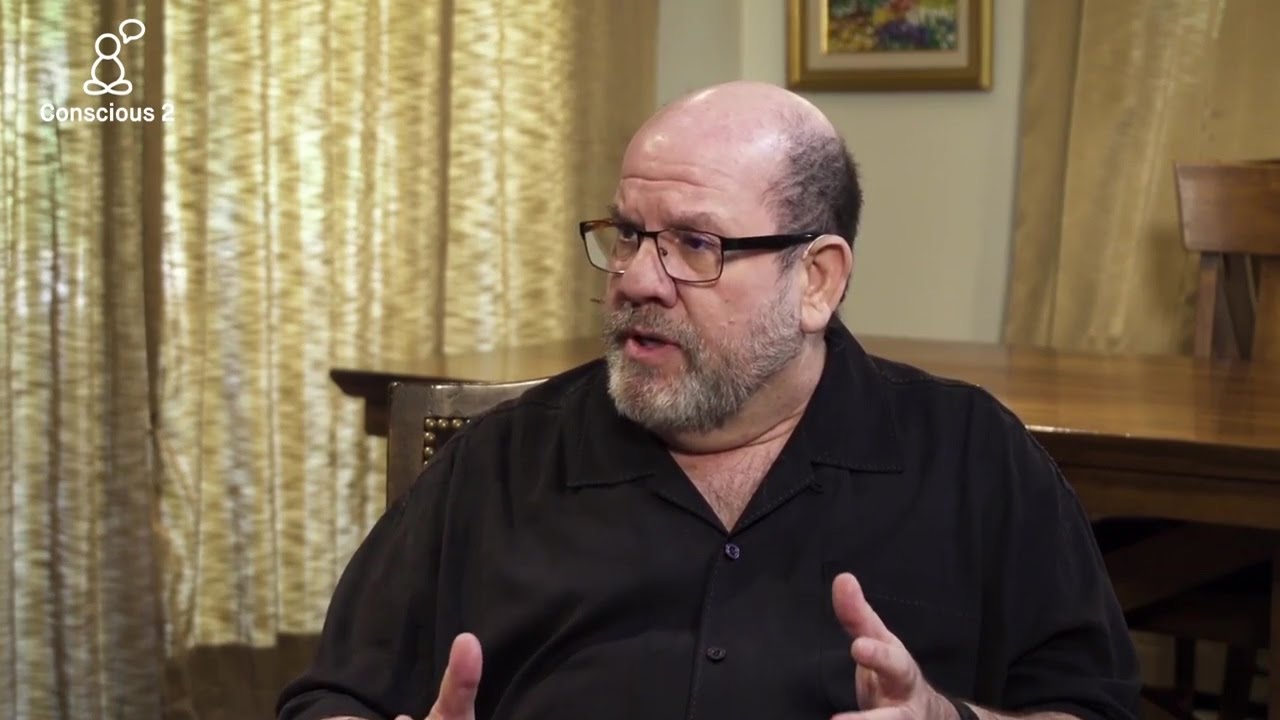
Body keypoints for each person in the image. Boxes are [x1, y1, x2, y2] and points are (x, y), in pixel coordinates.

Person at [277, 81, 1141, 720]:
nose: (636, 279)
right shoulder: (501, 463)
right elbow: (332, 698)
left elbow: (1092, 706)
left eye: (695, 244)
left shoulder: (970, 459)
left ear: (817, 280)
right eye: (627, 234)